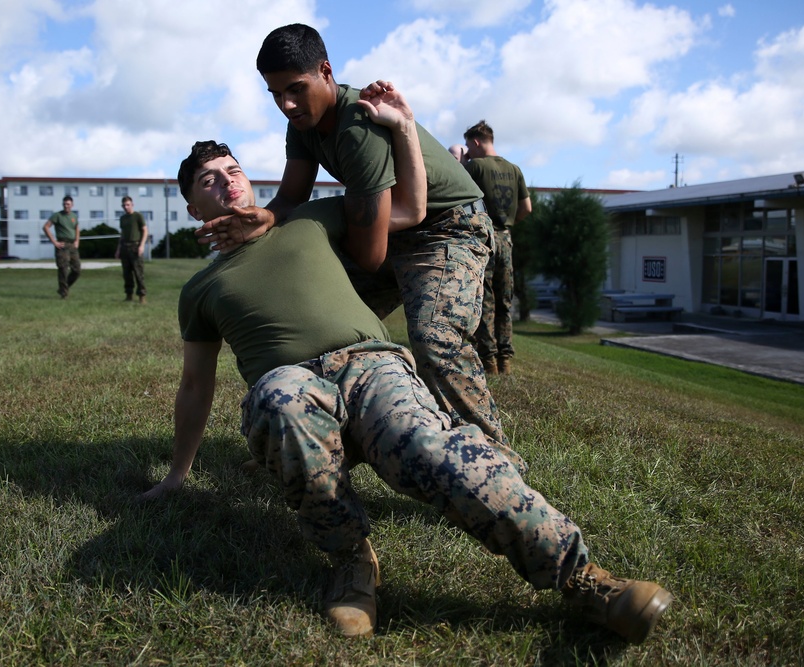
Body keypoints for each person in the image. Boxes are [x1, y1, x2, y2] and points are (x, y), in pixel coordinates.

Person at [142, 128, 672, 644]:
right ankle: (353, 561)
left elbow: (411, 209)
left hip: (371, 366)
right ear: (192, 208)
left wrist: (402, 128)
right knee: (278, 398)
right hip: (294, 388)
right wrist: (177, 474)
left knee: (428, 447)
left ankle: (590, 583)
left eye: (233, 171)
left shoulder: (308, 221)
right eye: (209, 180)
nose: (227, 182)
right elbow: (194, 386)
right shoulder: (200, 289)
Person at [196, 24, 523, 473]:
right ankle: (313, 445)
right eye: (275, 94)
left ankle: (497, 465)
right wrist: (264, 219)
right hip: (392, 225)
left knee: (434, 341)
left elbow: (371, 253)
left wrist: (320, 220)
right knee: (315, 325)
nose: (286, 105)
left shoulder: (357, 127)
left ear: (325, 72)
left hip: (447, 230)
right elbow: (291, 197)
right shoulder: (304, 123)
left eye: (295, 89)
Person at [463, 120, 532, 375]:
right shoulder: (514, 169)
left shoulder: (474, 166)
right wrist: (507, 223)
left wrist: (464, 162)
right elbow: (527, 209)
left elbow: (458, 194)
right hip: (506, 238)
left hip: (484, 237)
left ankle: (488, 360)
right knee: (505, 300)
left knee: (485, 299)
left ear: (476, 142)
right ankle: (506, 360)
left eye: (469, 144)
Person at [43, 195, 81, 299]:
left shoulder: (74, 216)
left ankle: (63, 287)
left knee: (77, 270)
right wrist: (54, 241)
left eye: (68, 204)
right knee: (63, 269)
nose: (66, 206)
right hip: (62, 245)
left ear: (72, 205)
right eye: (64, 204)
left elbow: (77, 228)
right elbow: (46, 227)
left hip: (72, 245)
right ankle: (64, 294)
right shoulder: (57, 216)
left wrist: (77, 241)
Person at [115, 196, 149, 304]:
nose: (126, 207)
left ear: (132, 205)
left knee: (138, 272)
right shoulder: (123, 218)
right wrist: (118, 249)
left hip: (135, 246)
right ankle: (129, 295)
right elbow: (122, 235)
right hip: (125, 247)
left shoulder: (138, 216)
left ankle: (142, 296)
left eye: (128, 205)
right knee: (127, 273)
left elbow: (145, 231)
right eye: (124, 205)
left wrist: (142, 246)